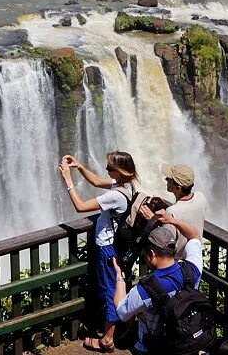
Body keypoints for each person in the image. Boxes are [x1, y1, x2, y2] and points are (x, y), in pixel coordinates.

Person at [59, 151, 140, 352]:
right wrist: (79, 167)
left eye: (109, 168)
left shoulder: (115, 195)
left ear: (119, 171)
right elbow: (95, 181)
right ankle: (127, 328)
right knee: (118, 286)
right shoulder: (128, 186)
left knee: (109, 291)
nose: (106, 170)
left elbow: (80, 206)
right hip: (118, 246)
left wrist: (68, 180)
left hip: (108, 248)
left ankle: (107, 339)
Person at [112, 210, 205, 353]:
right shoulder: (192, 270)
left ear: (151, 254)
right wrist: (171, 220)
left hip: (152, 348)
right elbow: (194, 236)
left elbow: (122, 312)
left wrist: (119, 276)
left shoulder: (145, 289)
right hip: (185, 342)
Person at [160, 163, 208, 260]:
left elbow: (165, 242)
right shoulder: (201, 198)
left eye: (169, 179)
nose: (166, 180)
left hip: (178, 263)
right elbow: (187, 211)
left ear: (178, 188)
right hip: (194, 258)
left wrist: (151, 218)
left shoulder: (172, 212)